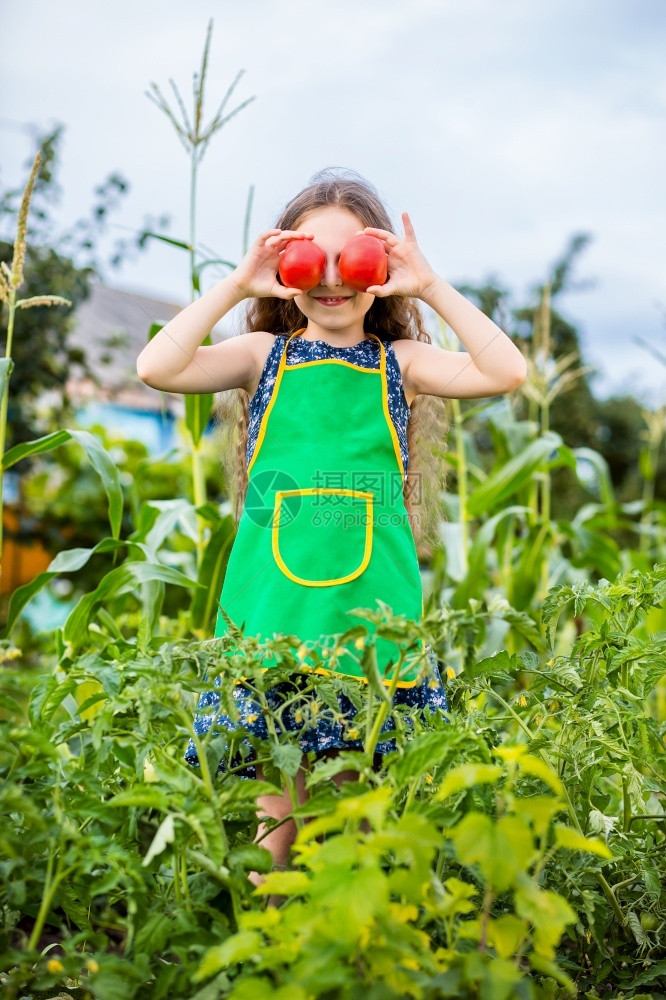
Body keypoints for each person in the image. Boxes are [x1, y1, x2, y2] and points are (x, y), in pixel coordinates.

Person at [136, 168, 527, 894]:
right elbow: (156, 365)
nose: (333, 280)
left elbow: (506, 371)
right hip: (275, 616)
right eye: (311, 260)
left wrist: (429, 285)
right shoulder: (262, 358)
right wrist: (238, 284)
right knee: (277, 807)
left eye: (354, 261)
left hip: (365, 624)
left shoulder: (401, 365)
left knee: (353, 803)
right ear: (287, 269)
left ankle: (347, 946)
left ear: (381, 271)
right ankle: (273, 942)